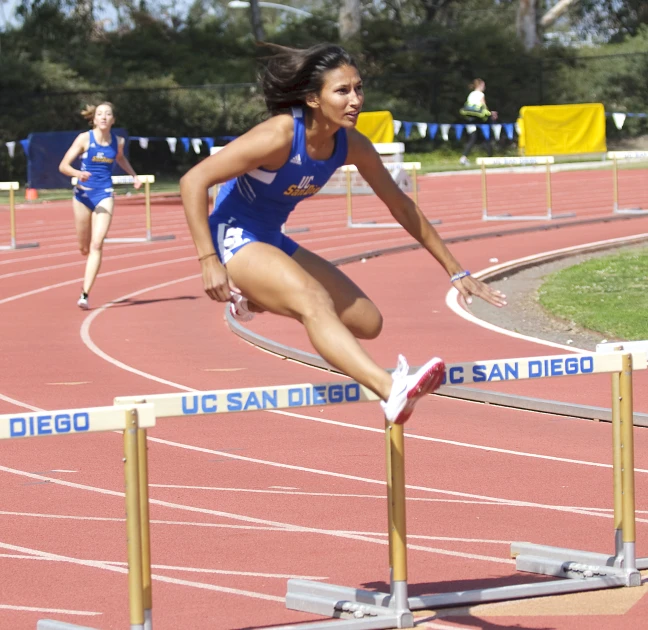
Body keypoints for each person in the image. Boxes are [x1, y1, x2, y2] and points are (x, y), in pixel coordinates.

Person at [180, 44, 506, 426]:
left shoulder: (351, 144)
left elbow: (401, 205)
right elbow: (193, 181)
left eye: (359, 88)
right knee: (313, 300)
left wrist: (456, 270)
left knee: (368, 322)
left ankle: (253, 299)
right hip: (233, 234)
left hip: (271, 236)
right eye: (342, 91)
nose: (356, 100)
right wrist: (208, 260)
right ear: (313, 99)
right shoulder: (281, 135)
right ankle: (391, 390)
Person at [59, 102, 141, 309]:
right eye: (100, 114)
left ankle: (85, 294)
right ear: (94, 119)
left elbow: (120, 159)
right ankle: (86, 255)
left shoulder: (118, 141)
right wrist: (78, 174)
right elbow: (63, 166)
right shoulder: (84, 139)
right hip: (82, 196)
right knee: (84, 247)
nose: (104, 117)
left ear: (113, 120)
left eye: (108, 114)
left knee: (97, 244)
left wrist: (134, 176)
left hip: (104, 194)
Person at [459, 78, 498, 166]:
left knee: (473, 138)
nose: (484, 87)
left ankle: (464, 157)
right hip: (479, 119)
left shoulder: (471, 94)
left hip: (469, 119)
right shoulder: (480, 94)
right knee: (485, 136)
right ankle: (490, 157)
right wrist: (491, 114)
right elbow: (484, 107)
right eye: (483, 85)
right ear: (480, 85)